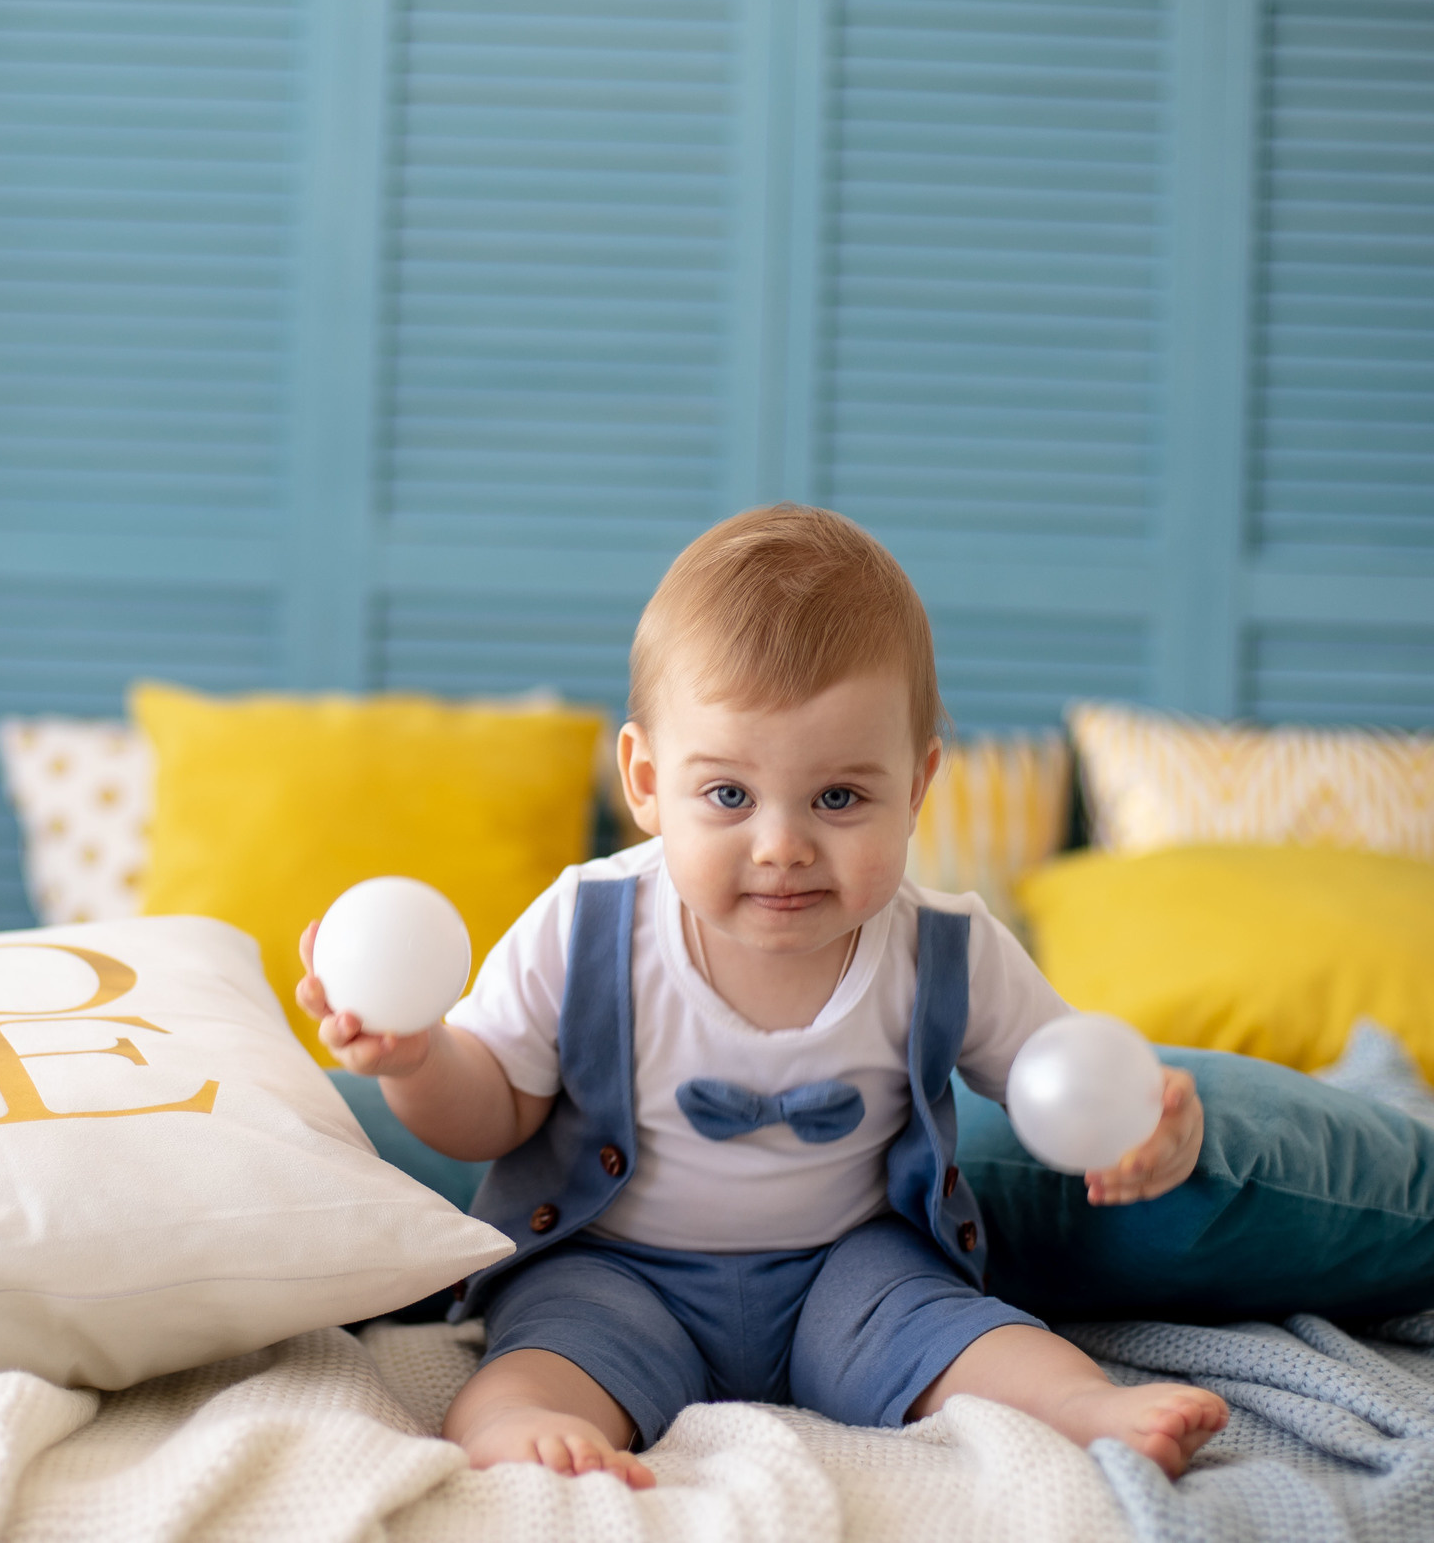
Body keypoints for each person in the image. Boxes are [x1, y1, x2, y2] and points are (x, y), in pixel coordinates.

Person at [297, 505, 1228, 1489]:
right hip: (618, 1267)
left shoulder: (942, 945)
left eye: (837, 798)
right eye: (729, 796)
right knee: (540, 1353)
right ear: (646, 781)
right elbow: (489, 1112)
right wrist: (415, 1060)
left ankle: (1085, 1406)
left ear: (916, 786)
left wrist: (1143, 1123)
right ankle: (520, 1430)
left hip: (849, 1269)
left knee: (963, 1331)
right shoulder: (589, 922)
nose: (781, 845)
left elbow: (1064, 1078)